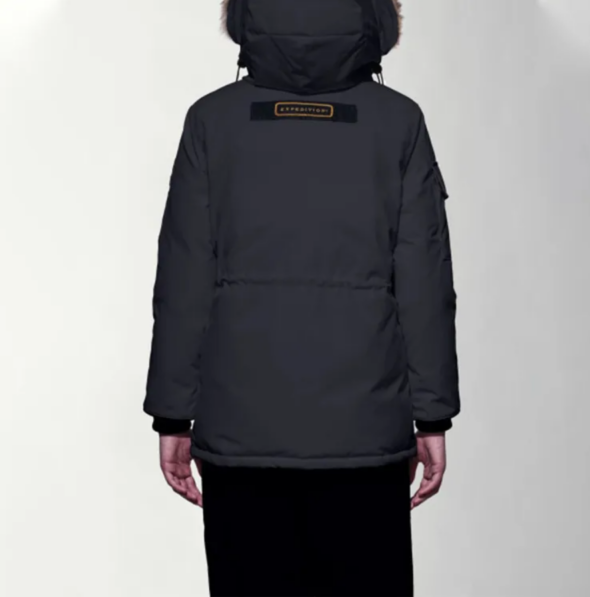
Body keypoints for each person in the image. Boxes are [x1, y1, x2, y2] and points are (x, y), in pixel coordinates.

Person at [143, 0, 460, 595]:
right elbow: (425, 281)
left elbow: (183, 278)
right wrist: (433, 413)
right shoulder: (398, 122)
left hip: (241, 434)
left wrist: (172, 412)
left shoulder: (213, 120)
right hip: (366, 435)